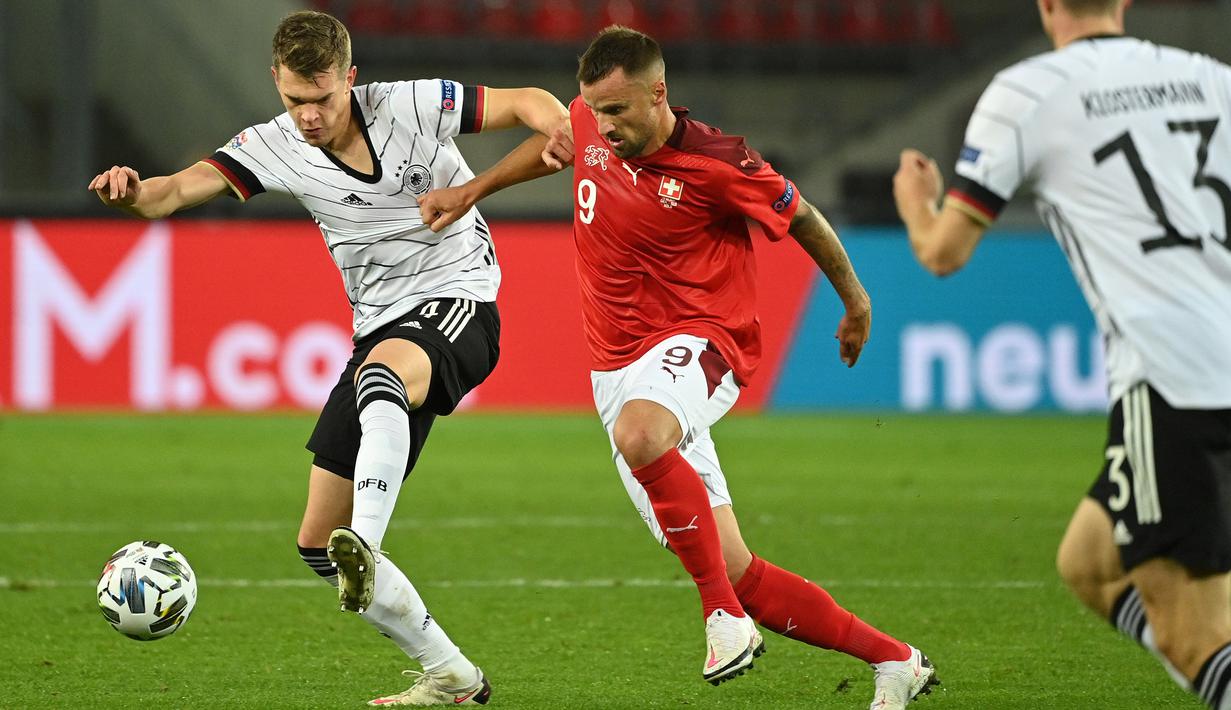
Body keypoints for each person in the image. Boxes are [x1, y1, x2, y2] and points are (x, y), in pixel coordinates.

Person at [418, 25, 938, 709]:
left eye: (617, 112)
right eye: (595, 112)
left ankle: (721, 619)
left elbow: (803, 217)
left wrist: (856, 301)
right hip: (614, 368)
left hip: (703, 338)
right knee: (730, 564)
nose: (603, 125)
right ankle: (895, 661)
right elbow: (558, 149)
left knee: (643, 438)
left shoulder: (721, 161)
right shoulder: (588, 118)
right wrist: (473, 189)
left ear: (657, 94)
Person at [88, 11, 566, 707]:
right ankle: (450, 675)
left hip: (460, 302)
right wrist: (133, 193)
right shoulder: (272, 144)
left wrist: (548, 131)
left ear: (351, 77)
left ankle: (366, 543)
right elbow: (169, 194)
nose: (308, 116)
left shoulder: (410, 103)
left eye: (322, 99)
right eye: (293, 100)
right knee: (316, 541)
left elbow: (529, 103)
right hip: (378, 328)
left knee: (380, 384)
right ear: (275, 85)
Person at [893, 1, 1231, 707]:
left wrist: (914, 203)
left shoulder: (1025, 91)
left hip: (1174, 378)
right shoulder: (1209, 76)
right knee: (1089, 562)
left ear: (1045, 5)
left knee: (1192, 637)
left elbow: (942, 251)